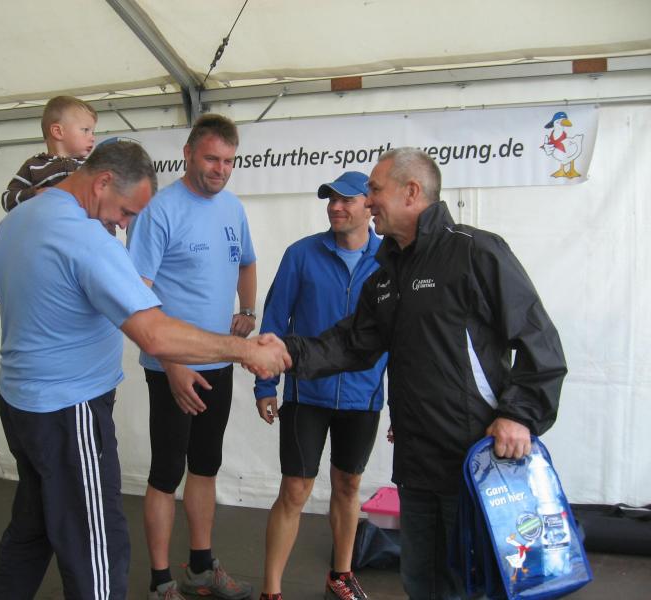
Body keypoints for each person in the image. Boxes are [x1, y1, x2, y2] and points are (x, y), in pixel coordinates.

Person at [0, 140, 290, 600]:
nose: (125, 224)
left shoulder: (16, 222)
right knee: (98, 549)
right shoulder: (85, 239)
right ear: (103, 182)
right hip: (69, 412)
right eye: (126, 211)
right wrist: (245, 350)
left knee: (31, 530)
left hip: (19, 404)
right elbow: (153, 333)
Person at [283, 148, 567, 600]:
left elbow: (540, 343)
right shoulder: (385, 276)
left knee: (475, 585)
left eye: (375, 190)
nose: (368, 201)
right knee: (422, 583)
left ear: (411, 192)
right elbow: (351, 343)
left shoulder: (475, 252)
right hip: (416, 467)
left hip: (475, 463)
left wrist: (519, 415)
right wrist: (284, 353)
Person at [127, 114, 257, 600]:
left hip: (218, 364)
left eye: (228, 161)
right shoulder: (159, 212)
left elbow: (246, 262)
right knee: (166, 474)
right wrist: (172, 362)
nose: (221, 169)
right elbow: (136, 296)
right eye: (211, 158)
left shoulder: (233, 208)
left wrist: (247, 309)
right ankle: (161, 582)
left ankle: (200, 568)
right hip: (171, 370)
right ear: (187, 154)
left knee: (205, 467)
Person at [254, 171, 388, 600]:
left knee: (348, 486)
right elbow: (274, 322)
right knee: (294, 490)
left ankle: (341, 576)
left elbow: (405, 337)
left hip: (363, 397)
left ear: (369, 205)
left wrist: (405, 408)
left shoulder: (391, 260)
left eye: (346, 200)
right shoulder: (301, 254)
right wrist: (266, 384)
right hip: (306, 394)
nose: (335, 207)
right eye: (331, 199)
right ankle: (271, 591)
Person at [0, 95, 97, 212]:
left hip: (80, 222)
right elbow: (7, 199)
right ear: (58, 131)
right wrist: (35, 194)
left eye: (93, 132)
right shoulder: (33, 165)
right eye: (85, 130)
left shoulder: (90, 166)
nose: (92, 138)